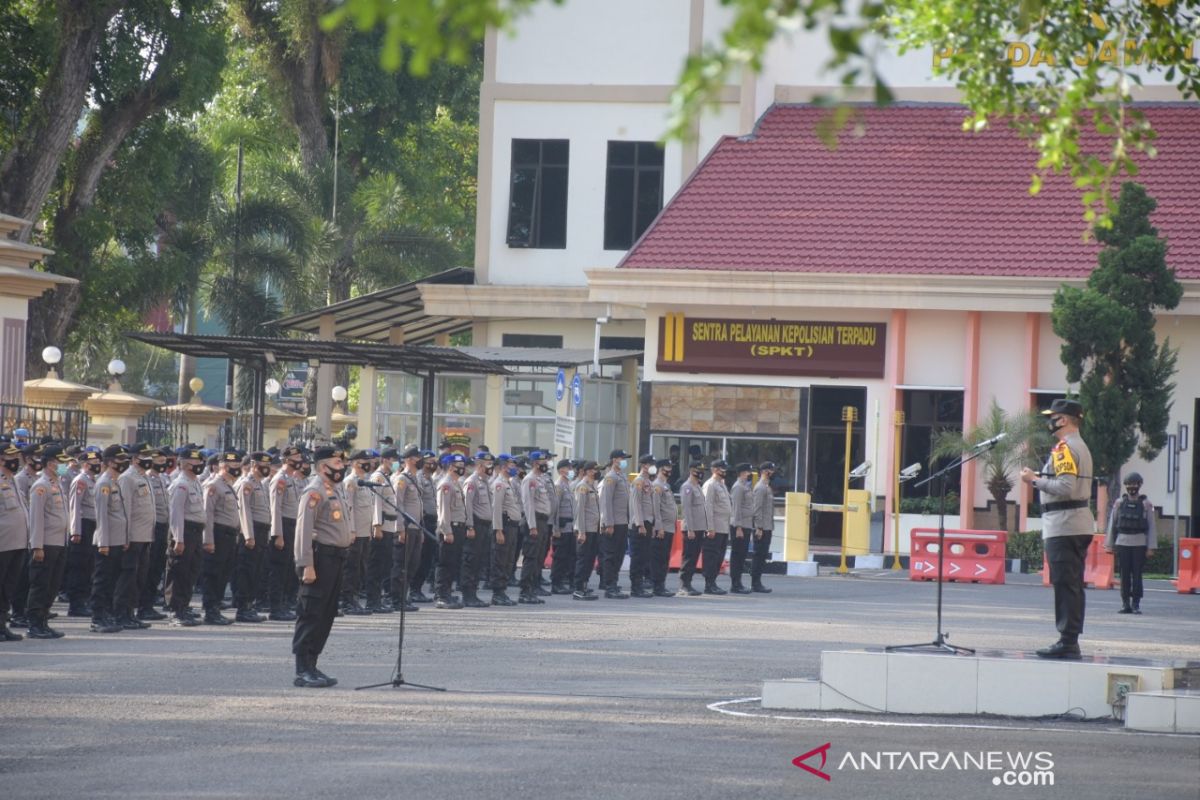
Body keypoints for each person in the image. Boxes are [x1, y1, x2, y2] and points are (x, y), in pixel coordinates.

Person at [1020, 398, 1095, 659]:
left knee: (1066, 583)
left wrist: (1034, 480)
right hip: (1072, 522)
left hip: (1065, 524)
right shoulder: (1077, 446)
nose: (1049, 421)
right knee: (1070, 583)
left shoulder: (1065, 448)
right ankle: (1069, 639)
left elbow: (1065, 487)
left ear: (1063, 419)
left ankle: (1068, 641)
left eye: (1053, 417)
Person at [292, 446, 354, 688]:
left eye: (341, 463)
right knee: (311, 613)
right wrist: (306, 564)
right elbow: (303, 531)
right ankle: (302, 669)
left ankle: (313, 664)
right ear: (321, 467)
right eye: (335, 463)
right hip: (319, 559)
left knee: (326, 614)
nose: (341, 467)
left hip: (336, 558)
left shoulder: (335, 490)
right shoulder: (314, 492)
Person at [25, 444, 70, 638]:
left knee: (52, 584)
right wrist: (37, 546)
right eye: (60, 462)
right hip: (46, 544)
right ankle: (34, 624)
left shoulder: (56, 484)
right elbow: (36, 518)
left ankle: (43, 621)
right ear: (50, 463)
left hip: (59, 542)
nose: (63, 466)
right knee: (41, 584)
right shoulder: (41, 486)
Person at [114, 443, 156, 630]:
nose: (149, 459)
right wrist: (126, 536)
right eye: (145, 456)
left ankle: (131, 612)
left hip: (145, 535)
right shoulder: (127, 478)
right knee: (127, 577)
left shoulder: (143, 477)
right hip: (132, 536)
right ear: (135, 458)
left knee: (139, 576)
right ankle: (121, 613)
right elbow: (126, 509)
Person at [164, 446, 206, 627]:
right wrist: (178, 538)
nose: (198, 464)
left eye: (199, 461)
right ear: (184, 464)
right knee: (179, 572)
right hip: (184, 532)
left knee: (191, 571)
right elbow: (176, 514)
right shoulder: (180, 484)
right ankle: (175, 610)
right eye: (194, 462)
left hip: (196, 532)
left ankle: (184, 606)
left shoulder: (194, 482)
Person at [1105, 472, 1156, 615]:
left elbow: (1151, 527)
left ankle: (1136, 604)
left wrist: (1150, 547)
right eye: (1129, 484)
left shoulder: (1146, 504)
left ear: (1139, 485)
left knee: (1137, 574)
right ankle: (1125, 603)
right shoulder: (1119, 503)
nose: (1131, 487)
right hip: (1122, 542)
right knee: (1124, 574)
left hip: (1139, 543)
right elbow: (1112, 525)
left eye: (1134, 484)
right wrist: (1109, 545)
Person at [202, 450, 242, 626]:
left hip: (229, 534)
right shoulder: (213, 485)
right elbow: (207, 514)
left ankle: (216, 607)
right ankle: (210, 610)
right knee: (213, 574)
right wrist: (208, 540)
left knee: (223, 573)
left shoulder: (228, 485)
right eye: (233, 466)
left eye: (238, 466)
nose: (237, 469)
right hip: (217, 534)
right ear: (223, 467)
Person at [234, 452, 273, 623]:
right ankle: (243, 608)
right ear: (254, 465)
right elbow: (244, 511)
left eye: (268, 465)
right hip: (251, 532)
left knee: (256, 570)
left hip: (262, 531)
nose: (267, 468)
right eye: (263, 465)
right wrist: (249, 535)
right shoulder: (247, 484)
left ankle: (250, 605)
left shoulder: (261, 484)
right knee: (247, 571)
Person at [268, 447, 304, 621]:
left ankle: (285, 603)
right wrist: (277, 534)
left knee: (290, 568)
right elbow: (275, 508)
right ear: (287, 459)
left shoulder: (293, 479)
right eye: (296, 457)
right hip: (283, 526)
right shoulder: (280, 479)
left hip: (293, 525)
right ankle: (276, 607)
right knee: (279, 569)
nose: (299, 459)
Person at [339, 450, 375, 616]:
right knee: (351, 568)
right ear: (354, 463)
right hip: (354, 532)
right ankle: (347, 601)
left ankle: (354, 599)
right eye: (363, 460)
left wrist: (369, 530)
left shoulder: (364, 482)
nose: (367, 463)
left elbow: (368, 509)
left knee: (361, 567)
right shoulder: (350, 482)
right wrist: (352, 530)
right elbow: (349, 508)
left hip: (364, 532)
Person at [138, 447, 172, 621]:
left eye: (163, 461)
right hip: (152, 528)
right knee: (149, 569)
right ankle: (143, 605)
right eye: (158, 461)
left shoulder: (163, 479)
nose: (162, 464)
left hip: (163, 528)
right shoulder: (147, 480)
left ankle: (149, 604)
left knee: (157, 568)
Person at [65, 449, 100, 617]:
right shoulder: (80, 480)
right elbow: (75, 506)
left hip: (93, 526)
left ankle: (84, 600)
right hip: (83, 526)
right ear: (86, 465)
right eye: (94, 464)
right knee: (79, 566)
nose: (98, 466)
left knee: (89, 566)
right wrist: (75, 530)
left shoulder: (93, 480)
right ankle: (76, 604)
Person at [390, 445, 425, 613]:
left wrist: (421, 529)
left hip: (415, 528)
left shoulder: (414, 478)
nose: (421, 460)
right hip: (405, 528)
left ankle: (404, 596)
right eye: (418, 457)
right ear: (410, 459)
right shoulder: (401, 479)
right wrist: (399, 529)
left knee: (413, 564)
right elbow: (397, 504)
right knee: (401, 565)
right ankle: (396, 599)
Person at [364, 447, 398, 614]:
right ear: (385, 460)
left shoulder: (386, 477)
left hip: (389, 526)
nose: (395, 463)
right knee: (376, 565)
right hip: (382, 527)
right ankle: (372, 600)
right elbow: (376, 502)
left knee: (384, 564)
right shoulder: (377, 476)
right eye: (392, 459)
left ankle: (377, 599)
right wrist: (376, 526)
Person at [433, 453, 468, 609]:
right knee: (445, 563)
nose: (462, 468)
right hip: (450, 528)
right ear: (451, 467)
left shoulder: (456, 483)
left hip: (458, 527)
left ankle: (447, 592)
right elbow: (443, 510)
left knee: (453, 563)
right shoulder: (446, 484)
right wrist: (447, 531)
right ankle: (441, 595)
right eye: (458, 466)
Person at [460, 452, 494, 608]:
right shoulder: (471, 482)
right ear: (480, 465)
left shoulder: (485, 482)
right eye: (488, 464)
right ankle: (467, 595)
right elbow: (467, 506)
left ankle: (474, 593)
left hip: (485, 527)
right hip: (476, 526)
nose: (491, 467)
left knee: (479, 562)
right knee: (471, 561)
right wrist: (470, 526)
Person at [519, 450, 553, 603]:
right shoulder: (529, 480)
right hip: (534, 522)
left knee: (539, 558)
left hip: (543, 521)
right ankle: (525, 591)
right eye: (542, 462)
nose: (545, 464)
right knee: (531, 557)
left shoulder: (540, 480)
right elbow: (528, 504)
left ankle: (532, 589)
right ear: (534, 463)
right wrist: (532, 526)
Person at [598, 449, 633, 599]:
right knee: (610, 555)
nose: (624, 461)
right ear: (614, 460)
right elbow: (606, 502)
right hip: (614, 523)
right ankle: (609, 586)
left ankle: (614, 582)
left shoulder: (622, 477)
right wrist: (609, 523)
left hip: (623, 522)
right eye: (621, 458)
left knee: (619, 554)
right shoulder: (610, 477)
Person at [490, 454, 521, 606]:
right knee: (500, 560)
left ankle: (503, 591)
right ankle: (497, 593)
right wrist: (498, 530)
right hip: (504, 525)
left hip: (513, 526)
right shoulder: (499, 484)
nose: (514, 467)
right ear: (503, 467)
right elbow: (496, 509)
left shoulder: (508, 483)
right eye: (511, 465)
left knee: (508, 560)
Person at [677, 461, 709, 597]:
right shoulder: (687, 487)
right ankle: (684, 585)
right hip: (691, 528)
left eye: (702, 470)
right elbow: (687, 510)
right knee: (688, 557)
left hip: (699, 527)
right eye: (698, 470)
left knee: (695, 557)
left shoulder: (698, 487)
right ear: (691, 470)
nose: (701, 472)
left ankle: (689, 583)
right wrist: (690, 528)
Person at [701, 460, 732, 595]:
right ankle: (709, 584)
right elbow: (707, 507)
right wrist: (710, 527)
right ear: (714, 470)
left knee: (719, 557)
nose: (724, 471)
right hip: (715, 528)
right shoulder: (710, 485)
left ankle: (713, 582)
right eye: (721, 469)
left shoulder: (722, 485)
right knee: (711, 557)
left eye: (724, 469)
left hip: (723, 527)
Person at [571, 461, 601, 600]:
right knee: (583, 559)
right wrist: (581, 531)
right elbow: (580, 511)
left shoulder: (591, 486)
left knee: (590, 559)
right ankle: (578, 588)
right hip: (586, 529)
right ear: (589, 471)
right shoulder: (582, 487)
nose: (597, 472)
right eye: (595, 470)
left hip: (594, 529)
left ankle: (584, 585)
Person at [628, 454, 656, 599]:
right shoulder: (638, 481)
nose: (653, 466)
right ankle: (635, 587)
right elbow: (636, 504)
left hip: (647, 522)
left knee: (644, 556)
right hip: (640, 523)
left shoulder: (648, 482)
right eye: (651, 464)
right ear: (644, 465)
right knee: (638, 556)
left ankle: (639, 585)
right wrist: (640, 524)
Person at [549, 458, 577, 594]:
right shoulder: (559, 486)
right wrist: (555, 529)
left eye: (571, 468)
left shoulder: (569, 485)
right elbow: (555, 509)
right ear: (561, 470)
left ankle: (563, 582)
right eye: (568, 468)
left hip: (570, 527)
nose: (571, 470)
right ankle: (556, 583)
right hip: (561, 527)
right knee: (559, 557)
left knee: (568, 556)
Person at [727, 462, 755, 594]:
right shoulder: (738, 487)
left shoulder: (746, 486)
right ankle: (735, 584)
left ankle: (738, 582)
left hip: (746, 525)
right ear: (742, 473)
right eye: (748, 472)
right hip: (740, 526)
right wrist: (738, 527)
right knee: (737, 555)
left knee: (742, 555)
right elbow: (736, 508)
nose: (750, 474)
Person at [650, 458, 676, 597]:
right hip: (662, 528)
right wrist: (658, 527)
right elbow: (656, 509)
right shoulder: (657, 486)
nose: (670, 470)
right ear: (660, 469)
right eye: (667, 467)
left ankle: (662, 584)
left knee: (664, 558)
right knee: (659, 558)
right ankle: (657, 586)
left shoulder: (666, 485)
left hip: (669, 527)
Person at [750, 461, 776, 593]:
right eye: (771, 470)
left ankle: (758, 581)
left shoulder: (767, 486)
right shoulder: (760, 487)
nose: (773, 473)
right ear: (765, 471)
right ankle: (755, 583)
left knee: (762, 555)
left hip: (767, 526)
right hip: (762, 528)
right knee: (758, 555)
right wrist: (758, 527)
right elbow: (757, 509)